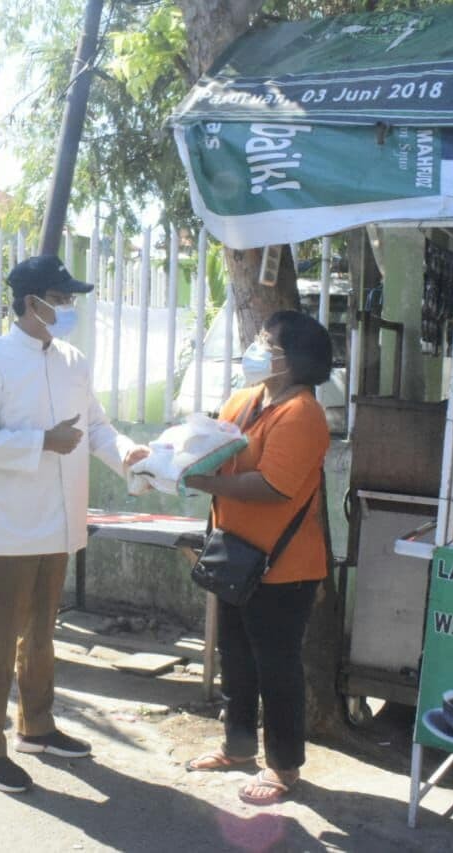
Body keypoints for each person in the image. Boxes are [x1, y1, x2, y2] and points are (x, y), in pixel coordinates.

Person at [0, 255, 150, 794]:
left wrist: (129, 454)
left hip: (61, 520)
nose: (69, 308)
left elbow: (97, 425)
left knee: (41, 633)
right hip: (10, 525)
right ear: (31, 302)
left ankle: (35, 727)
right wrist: (40, 440)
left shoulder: (72, 361)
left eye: (69, 300)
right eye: (60, 299)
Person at [183, 310, 333, 806]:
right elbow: (213, 449)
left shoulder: (303, 413)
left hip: (282, 566)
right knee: (237, 658)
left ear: (289, 360)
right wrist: (173, 457)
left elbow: (271, 486)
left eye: (265, 341)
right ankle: (237, 747)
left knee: (277, 667)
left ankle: (285, 768)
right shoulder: (248, 399)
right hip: (235, 555)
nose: (255, 346)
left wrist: (206, 481)